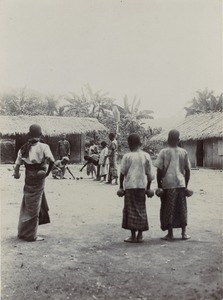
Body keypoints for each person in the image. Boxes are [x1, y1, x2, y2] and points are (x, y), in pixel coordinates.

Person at [13, 124, 55, 242]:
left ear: (29, 134)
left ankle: (22, 231)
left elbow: (17, 165)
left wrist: (16, 173)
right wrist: (47, 174)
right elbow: (52, 161)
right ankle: (31, 235)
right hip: (39, 176)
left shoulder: (23, 148)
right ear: (40, 134)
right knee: (34, 205)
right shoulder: (44, 146)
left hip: (28, 177)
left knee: (27, 202)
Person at [154, 129, 191, 241]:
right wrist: (186, 185)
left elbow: (159, 171)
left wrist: (159, 185)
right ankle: (184, 233)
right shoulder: (183, 152)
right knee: (182, 208)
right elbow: (188, 170)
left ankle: (170, 234)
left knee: (168, 208)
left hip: (168, 184)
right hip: (180, 183)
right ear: (179, 140)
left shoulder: (164, 152)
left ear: (168, 139)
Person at [117, 133, 154, 243]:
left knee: (130, 211)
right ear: (140, 143)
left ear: (129, 144)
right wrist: (148, 188)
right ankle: (140, 235)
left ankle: (133, 235)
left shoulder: (127, 156)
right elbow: (150, 174)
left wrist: (120, 187)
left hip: (130, 187)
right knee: (141, 209)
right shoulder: (146, 156)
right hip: (141, 187)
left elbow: (122, 173)